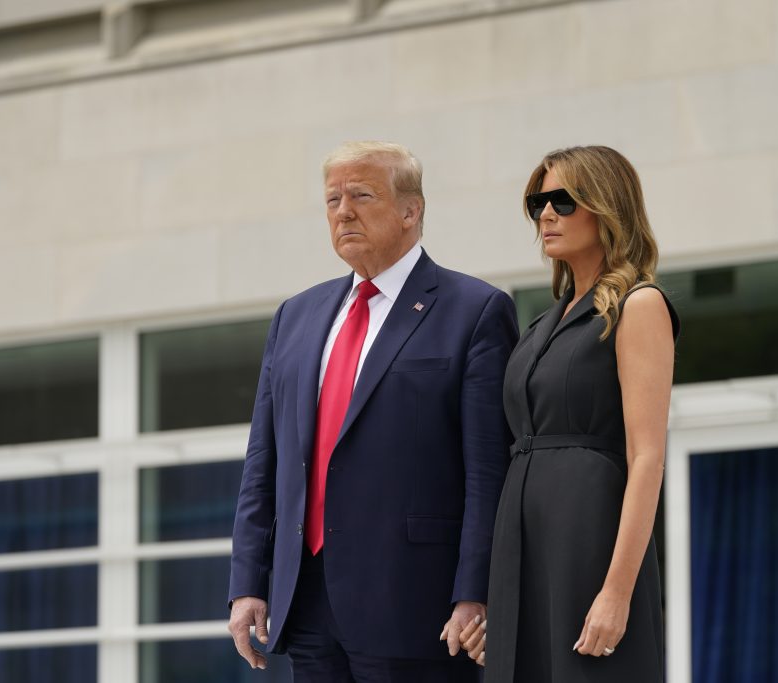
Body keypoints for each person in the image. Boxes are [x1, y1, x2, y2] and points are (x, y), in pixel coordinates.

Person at [227, 141, 518, 682]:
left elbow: (488, 472)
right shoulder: (296, 315)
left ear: (412, 210)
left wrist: (476, 592)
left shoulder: (474, 310)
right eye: (333, 198)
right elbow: (263, 464)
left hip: (416, 605)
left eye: (361, 194)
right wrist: (247, 583)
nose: (343, 211)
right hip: (308, 601)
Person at [460, 145, 679, 681]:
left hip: (589, 539)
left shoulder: (640, 305)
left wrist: (617, 591)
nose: (547, 215)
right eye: (538, 203)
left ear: (606, 208)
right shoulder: (542, 325)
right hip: (524, 544)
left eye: (563, 200)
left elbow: (647, 457)